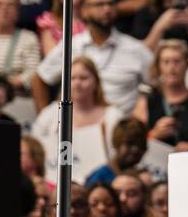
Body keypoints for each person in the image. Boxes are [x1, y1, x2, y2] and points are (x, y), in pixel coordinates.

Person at [33, 0, 153, 116]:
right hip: (77, 128)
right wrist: (45, 117)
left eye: (110, 4)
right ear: (85, 11)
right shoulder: (70, 46)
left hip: (121, 130)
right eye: (99, 4)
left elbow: (157, 83)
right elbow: (39, 78)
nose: (107, 9)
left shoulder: (135, 48)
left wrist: (142, 106)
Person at [31, 56, 124, 186]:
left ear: (96, 82)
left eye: (83, 78)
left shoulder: (113, 115)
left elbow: (120, 155)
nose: (77, 83)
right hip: (53, 182)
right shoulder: (49, 114)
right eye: (72, 78)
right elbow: (35, 149)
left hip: (101, 184)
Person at [134, 39, 188, 151]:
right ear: (158, 67)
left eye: (177, 61)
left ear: (187, 65)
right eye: (166, 62)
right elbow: (132, 143)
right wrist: (154, 135)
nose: (172, 67)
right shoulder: (146, 103)